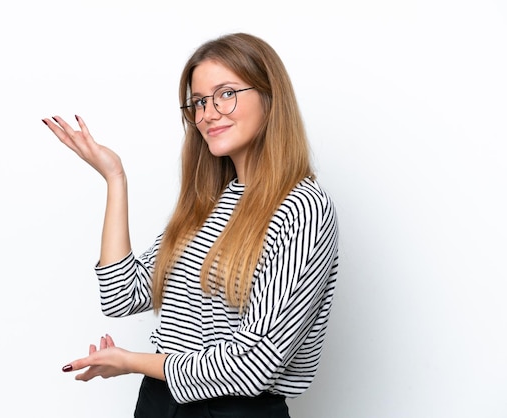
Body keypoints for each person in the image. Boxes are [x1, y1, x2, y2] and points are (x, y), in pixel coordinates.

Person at [42, 32, 339, 418]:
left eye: (226, 93)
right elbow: (121, 295)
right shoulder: (207, 205)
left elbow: (254, 365)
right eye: (198, 101)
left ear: (270, 97)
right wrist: (115, 179)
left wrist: (133, 362)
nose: (207, 113)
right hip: (159, 404)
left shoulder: (302, 207)